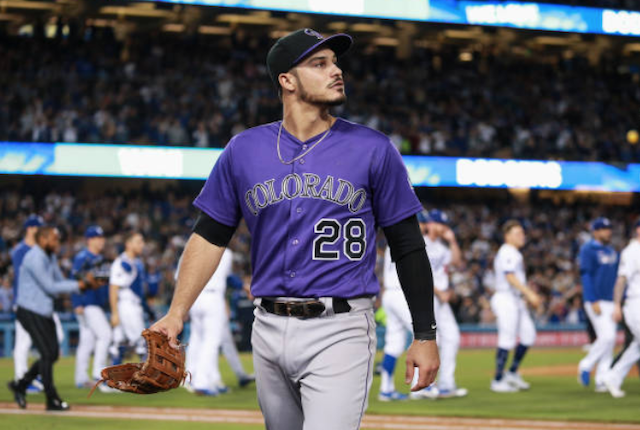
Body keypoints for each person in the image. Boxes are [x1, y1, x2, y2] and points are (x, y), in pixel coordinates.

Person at [151, 28, 440, 430]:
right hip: (266, 327)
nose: (335, 71)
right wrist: (176, 313)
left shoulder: (373, 148)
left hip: (340, 327)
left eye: (335, 62)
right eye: (319, 64)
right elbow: (209, 236)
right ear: (286, 80)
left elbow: (408, 245)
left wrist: (425, 334)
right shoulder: (244, 149)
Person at [7, 226, 96, 411]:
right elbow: (49, 286)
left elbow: (58, 280)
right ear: (43, 239)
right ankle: (52, 399)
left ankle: (20, 385)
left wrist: (83, 284)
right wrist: (78, 285)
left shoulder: (50, 256)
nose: (58, 243)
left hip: (43, 311)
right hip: (29, 310)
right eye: (54, 239)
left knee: (53, 353)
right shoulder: (34, 257)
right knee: (47, 354)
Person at [411, 209, 467, 399]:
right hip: (426, 296)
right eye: (440, 224)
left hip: (441, 298)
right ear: (431, 224)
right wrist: (439, 291)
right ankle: (420, 386)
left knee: (452, 337)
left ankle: (446, 384)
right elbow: (419, 274)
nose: (444, 228)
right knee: (429, 339)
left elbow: (457, 263)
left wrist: (452, 241)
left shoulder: (443, 247)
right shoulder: (422, 244)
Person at [490, 220, 540, 393]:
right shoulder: (507, 251)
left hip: (516, 299)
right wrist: (530, 294)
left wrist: (524, 296)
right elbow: (509, 276)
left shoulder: (514, 253)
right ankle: (497, 380)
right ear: (507, 236)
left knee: (528, 336)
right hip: (505, 298)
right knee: (507, 339)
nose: (522, 236)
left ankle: (511, 373)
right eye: (517, 233)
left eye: (522, 233)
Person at [182, 249, 235, 396]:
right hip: (213, 297)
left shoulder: (195, 248)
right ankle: (202, 382)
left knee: (197, 339)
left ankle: (202, 379)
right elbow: (229, 278)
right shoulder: (227, 252)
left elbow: (182, 276)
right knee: (211, 342)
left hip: (195, 296)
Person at [577, 217, 618, 392]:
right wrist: (592, 299)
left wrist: (618, 302)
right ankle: (585, 365)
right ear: (595, 231)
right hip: (596, 300)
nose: (608, 231)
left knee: (609, 341)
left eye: (609, 228)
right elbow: (585, 275)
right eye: (603, 229)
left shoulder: (612, 250)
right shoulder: (588, 249)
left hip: (611, 300)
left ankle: (602, 380)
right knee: (607, 337)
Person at [71, 226, 113, 391]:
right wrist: (77, 303)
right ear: (89, 240)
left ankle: (81, 378)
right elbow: (75, 281)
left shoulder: (101, 258)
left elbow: (103, 283)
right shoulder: (82, 257)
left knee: (87, 342)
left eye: (102, 237)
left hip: (96, 304)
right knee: (105, 335)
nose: (101, 240)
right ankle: (98, 374)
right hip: (87, 304)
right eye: (97, 237)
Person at [603, 219, 640, 398]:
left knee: (637, 346)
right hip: (635, 304)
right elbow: (621, 280)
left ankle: (612, 376)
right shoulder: (632, 251)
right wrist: (617, 304)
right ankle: (612, 376)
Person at [10, 215, 46, 393]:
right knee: (23, 342)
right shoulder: (20, 251)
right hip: (25, 302)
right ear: (30, 228)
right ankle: (21, 378)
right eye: (38, 227)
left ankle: (30, 375)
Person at [109, 231, 147, 362]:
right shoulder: (122, 262)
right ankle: (147, 378)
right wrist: (114, 313)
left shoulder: (137, 262)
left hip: (133, 305)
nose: (142, 245)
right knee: (141, 343)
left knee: (120, 343)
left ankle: (112, 380)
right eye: (139, 242)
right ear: (128, 244)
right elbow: (113, 288)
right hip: (126, 305)